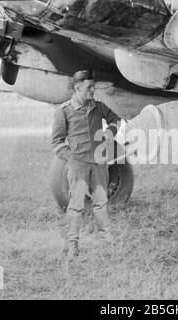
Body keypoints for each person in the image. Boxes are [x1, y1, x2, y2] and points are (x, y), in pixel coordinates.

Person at [51, 70, 120, 260]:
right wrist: (71, 158)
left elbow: (115, 119)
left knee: (101, 203)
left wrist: (110, 133)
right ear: (77, 88)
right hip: (78, 166)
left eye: (94, 87)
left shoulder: (98, 107)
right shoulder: (63, 111)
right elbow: (57, 143)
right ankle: (72, 246)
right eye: (89, 87)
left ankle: (108, 242)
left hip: (99, 164)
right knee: (76, 206)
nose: (93, 91)